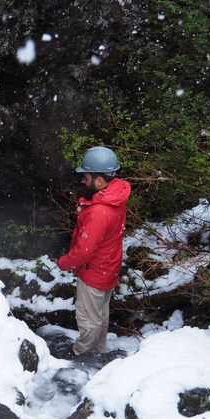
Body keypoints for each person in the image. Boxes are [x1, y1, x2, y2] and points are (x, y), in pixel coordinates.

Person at [57, 146, 131, 356]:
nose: (82, 181)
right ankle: (98, 351)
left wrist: (64, 262)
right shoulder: (114, 197)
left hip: (94, 271)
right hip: (108, 266)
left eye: (86, 177)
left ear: (99, 181)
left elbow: (84, 251)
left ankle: (80, 354)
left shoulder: (100, 211)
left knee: (88, 319)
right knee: (100, 315)